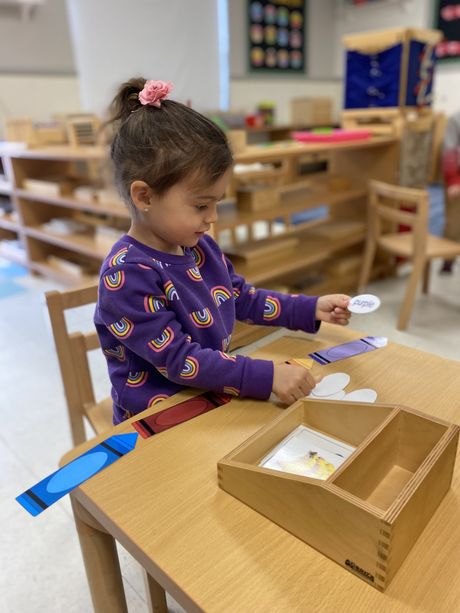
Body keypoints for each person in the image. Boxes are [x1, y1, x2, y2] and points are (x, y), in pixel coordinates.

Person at [94, 78, 352, 424]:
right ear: (144, 196)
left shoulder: (197, 247)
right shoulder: (126, 275)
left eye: (216, 203)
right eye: (201, 205)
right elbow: (180, 360)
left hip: (208, 393)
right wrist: (267, 376)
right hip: (157, 418)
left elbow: (241, 298)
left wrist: (310, 308)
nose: (212, 218)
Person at [441, 110, 460, 273]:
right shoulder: (455, 119)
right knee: (454, 223)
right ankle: (448, 260)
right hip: (457, 177)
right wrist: (453, 179)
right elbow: (449, 150)